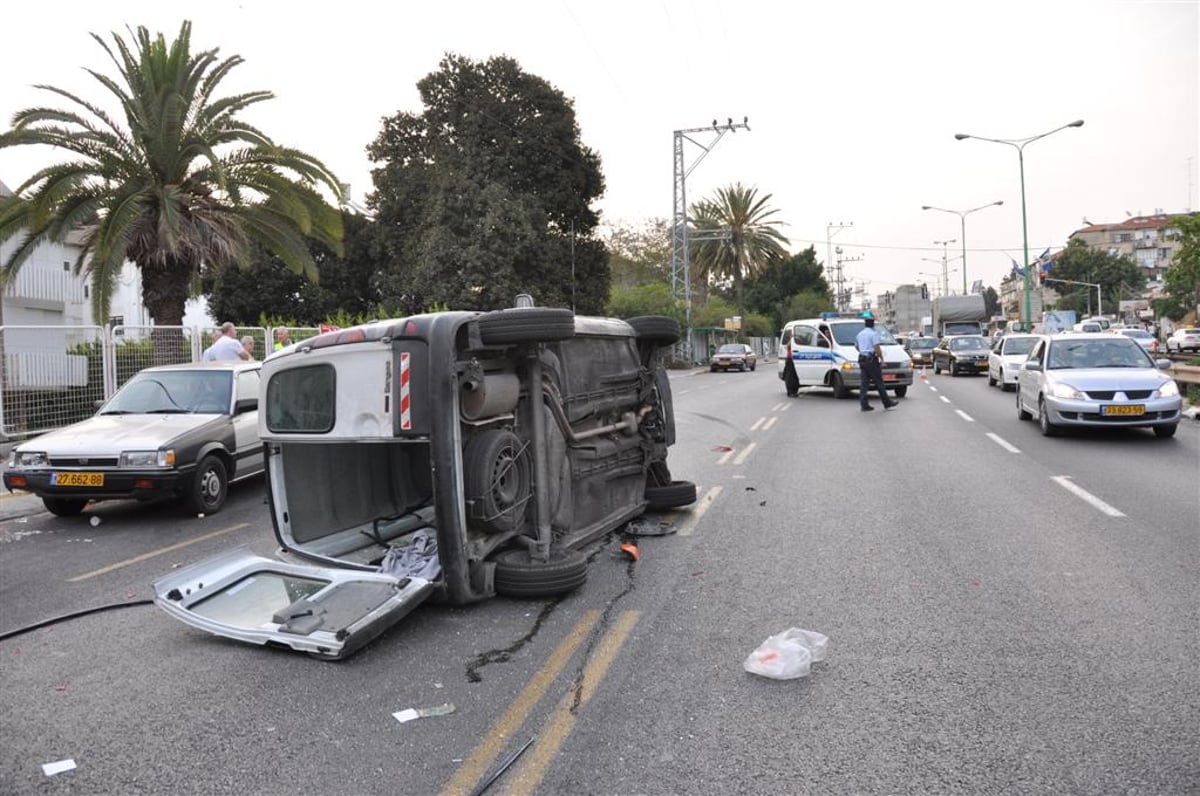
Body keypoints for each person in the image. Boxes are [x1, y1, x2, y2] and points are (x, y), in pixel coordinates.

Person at [855, 314, 897, 412]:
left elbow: (856, 346)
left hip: (862, 359)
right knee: (879, 382)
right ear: (873, 325)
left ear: (865, 325)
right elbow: (877, 348)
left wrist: (863, 351)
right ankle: (887, 403)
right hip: (871, 361)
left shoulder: (860, 334)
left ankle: (864, 404)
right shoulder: (873, 334)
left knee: (864, 384)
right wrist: (882, 359)